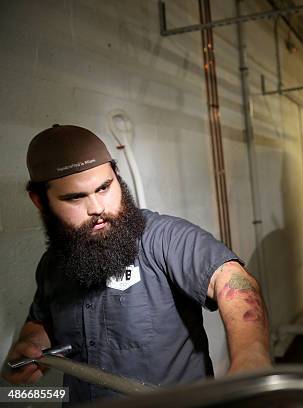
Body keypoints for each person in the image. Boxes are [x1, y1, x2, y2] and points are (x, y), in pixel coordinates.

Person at [1, 124, 271, 403]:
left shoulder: (164, 238)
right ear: (40, 202)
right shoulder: (52, 265)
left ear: (117, 176)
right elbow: (42, 321)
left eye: (104, 187)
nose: (97, 207)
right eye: (74, 197)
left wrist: (252, 360)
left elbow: (233, 281)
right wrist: (33, 345)